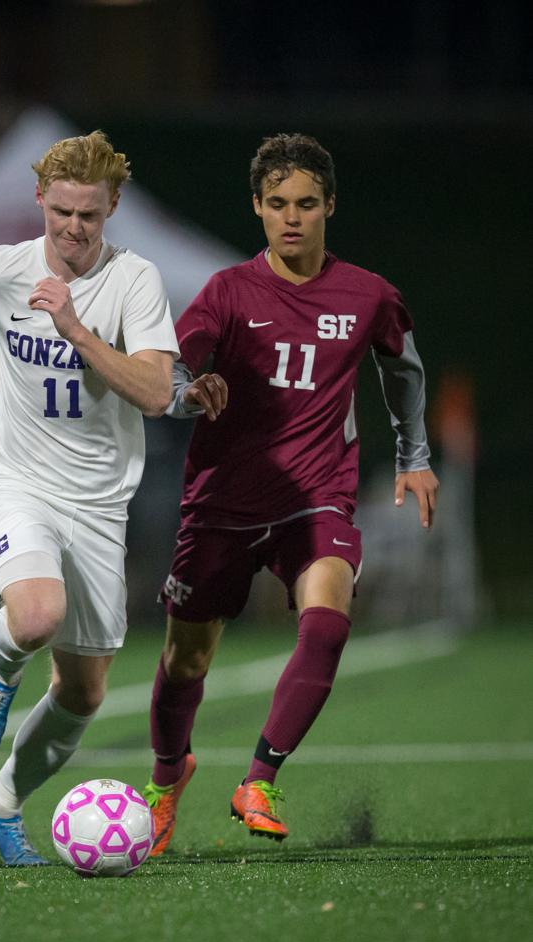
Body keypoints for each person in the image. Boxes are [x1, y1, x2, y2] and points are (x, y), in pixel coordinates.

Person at [142, 132, 439, 855]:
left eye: (307, 203)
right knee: (187, 660)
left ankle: (259, 779)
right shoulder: (228, 291)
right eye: (277, 204)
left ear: (329, 205)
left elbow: (402, 368)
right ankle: (165, 779)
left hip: (317, 495)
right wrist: (188, 392)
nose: (292, 217)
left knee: (328, 620)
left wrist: (415, 454)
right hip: (222, 500)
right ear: (258, 208)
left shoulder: (367, 294)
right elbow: (170, 369)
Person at [0, 131, 179, 865]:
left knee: (84, 694)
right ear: (40, 202)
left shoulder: (134, 280)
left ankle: (1, 806)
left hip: (97, 507)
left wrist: (75, 328)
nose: (73, 229)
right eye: (61, 212)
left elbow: (154, 391)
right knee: (36, 613)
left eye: (89, 215)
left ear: (112, 205)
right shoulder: (3, 268)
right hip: (19, 482)